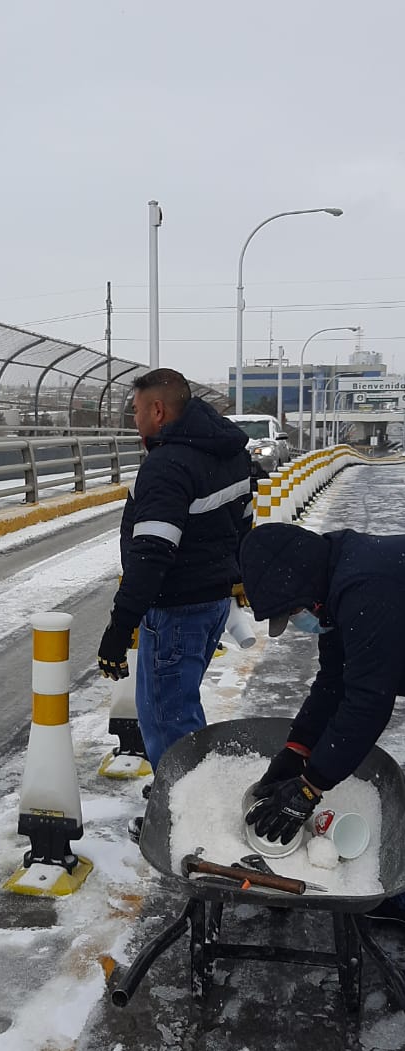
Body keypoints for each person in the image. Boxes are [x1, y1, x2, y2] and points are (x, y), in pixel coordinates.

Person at [97, 369, 252, 838]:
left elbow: (152, 553)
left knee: (167, 720)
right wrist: (235, 583)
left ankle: (189, 822)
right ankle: (180, 792)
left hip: (175, 610)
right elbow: (243, 524)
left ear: (158, 411)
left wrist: (119, 626)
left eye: (137, 409)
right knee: (177, 710)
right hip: (209, 605)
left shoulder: (167, 466)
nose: (134, 417)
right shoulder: (228, 453)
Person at [239, 519, 405, 921]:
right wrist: (296, 751)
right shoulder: (331, 585)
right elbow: (334, 682)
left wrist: (310, 788)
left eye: (293, 611)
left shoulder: (364, 585)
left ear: (303, 586)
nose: (298, 622)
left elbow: (367, 700)